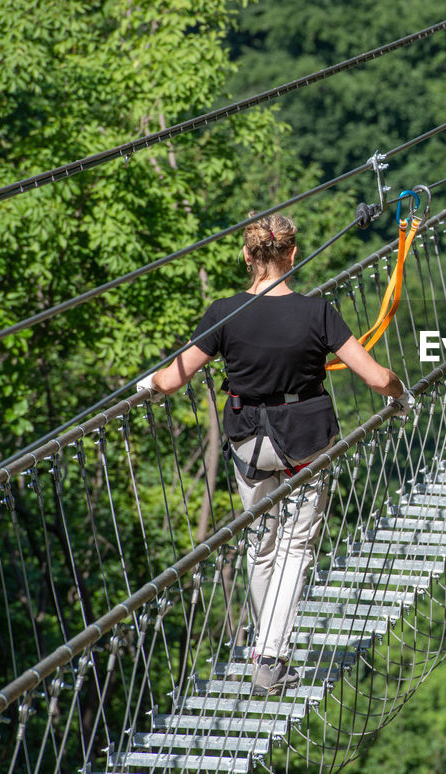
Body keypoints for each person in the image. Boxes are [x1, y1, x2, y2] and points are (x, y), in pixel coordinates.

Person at [137, 212, 411, 694]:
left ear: (247, 255)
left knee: (261, 544)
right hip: (307, 443)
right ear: (293, 255)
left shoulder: (224, 312)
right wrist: (401, 393)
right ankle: (270, 655)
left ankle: (261, 646)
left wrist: (148, 387)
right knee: (295, 546)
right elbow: (374, 377)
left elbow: (172, 378)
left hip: (249, 444)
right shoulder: (316, 313)